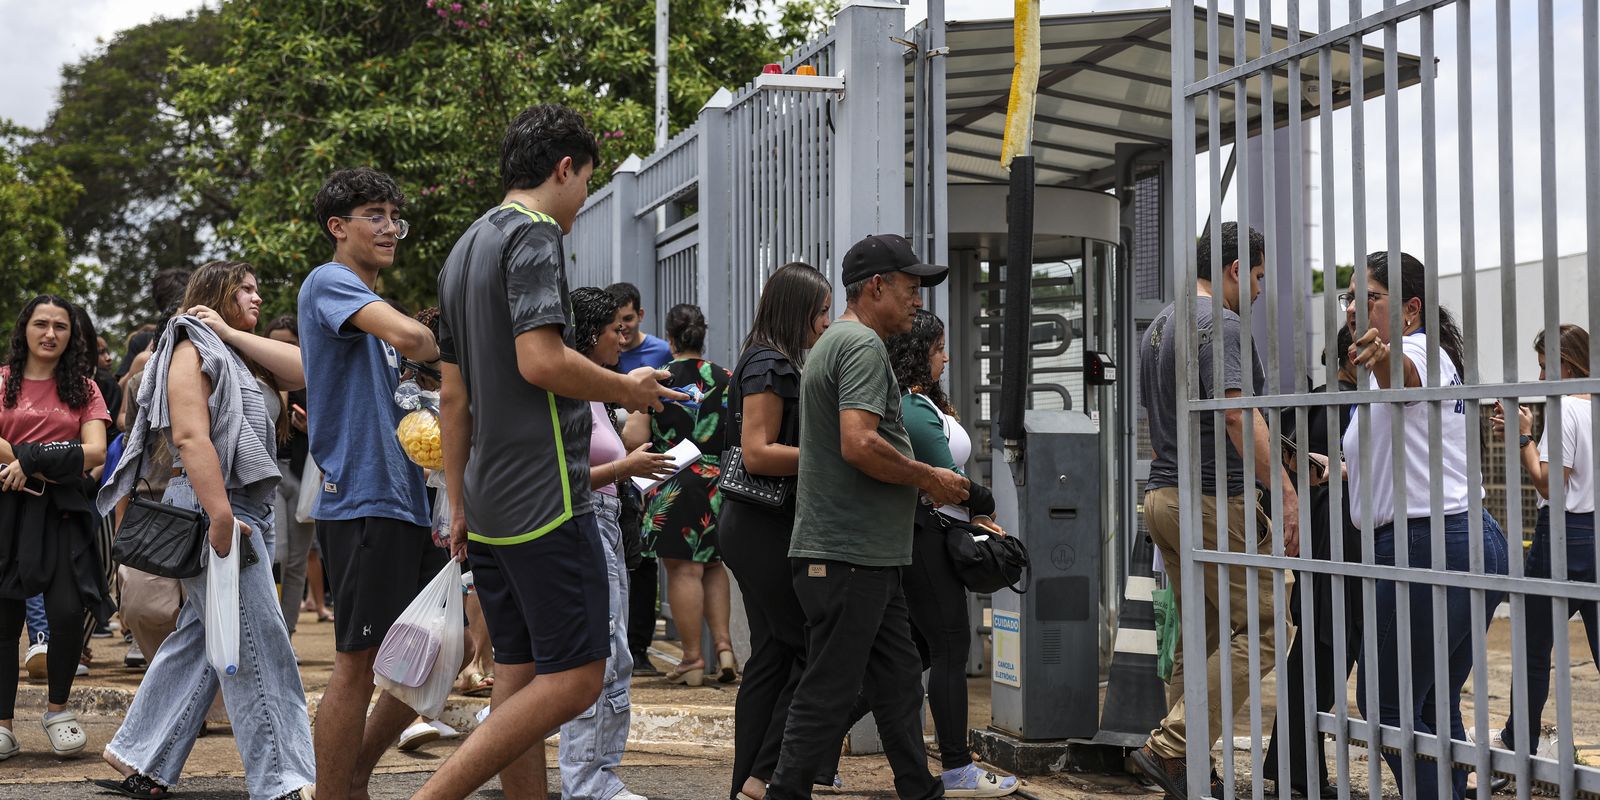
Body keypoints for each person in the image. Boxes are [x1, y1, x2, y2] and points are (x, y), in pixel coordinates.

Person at [422, 103, 681, 800]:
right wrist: (628, 390)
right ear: (564, 169)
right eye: (586, 182)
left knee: (521, 672)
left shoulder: (462, 248)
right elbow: (541, 361)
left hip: (489, 499)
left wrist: (458, 500)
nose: (584, 200)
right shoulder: (532, 234)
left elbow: (454, 399)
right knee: (576, 678)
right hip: (549, 496)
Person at [94, 260, 315, 800]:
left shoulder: (232, 349)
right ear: (215, 294)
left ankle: (141, 755)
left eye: (259, 289)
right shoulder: (191, 349)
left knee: (202, 639)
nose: (257, 298)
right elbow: (191, 437)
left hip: (236, 507)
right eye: (245, 290)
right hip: (216, 505)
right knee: (260, 648)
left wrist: (231, 329)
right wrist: (219, 516)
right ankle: (283, 778)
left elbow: (308, 369)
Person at [762, 233, 966, 800]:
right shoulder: (862, 347)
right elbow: (860, 443)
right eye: (910, 287)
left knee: (899, 682)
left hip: (866, 556)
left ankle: (917, 788)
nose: (918, 300)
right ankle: (783, 791)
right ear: (876, 286)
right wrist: (931, 478)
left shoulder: (841, 341)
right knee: (827, 688)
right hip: (846, 555)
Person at [1132, 222, 1300, 799]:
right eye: (1256, 276)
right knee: (1272, 624)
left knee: (1202, 636)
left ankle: (1184, 766)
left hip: (1162, 495)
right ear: (1234, 270)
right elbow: (1235, 414)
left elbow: (1160, 434)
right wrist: (1280, 488)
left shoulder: (1158, 326)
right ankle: (1172, 745)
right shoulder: (1221, 324)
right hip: (1209, 498)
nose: (1258, 290)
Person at [298, 166, 447, 800]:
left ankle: (354, 772)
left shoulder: (362, 307)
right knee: (357, 665)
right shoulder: (332, 282)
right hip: (361, 499)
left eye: (395, 217)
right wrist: (457, 347)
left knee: (434, 654)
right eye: (375, 216)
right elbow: (416, 336)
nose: (390, 228)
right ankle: (335, 790)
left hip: (404, 499)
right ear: (338, 227)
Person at [1341, 252, 1508, 800]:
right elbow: (1397, 454)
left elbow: (1403, 377)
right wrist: (1335, 470)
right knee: (1430, 702)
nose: (1353, 307)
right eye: (1349, 297)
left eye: (1369, 297)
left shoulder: (1418, 353)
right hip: (1458, 537)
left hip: (1426, 543)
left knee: (1387, 707)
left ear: (1410, 309)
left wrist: (1380, 357)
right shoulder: (1395, 365)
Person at [887, 309, 1018, 798]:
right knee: (948, 649)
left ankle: (816, 748)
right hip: (927, 540)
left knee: (916, 652)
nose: (947, 356)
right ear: (919, 353)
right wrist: (981, 503)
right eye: (939, 348)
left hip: (937, 534)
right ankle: (958, 769)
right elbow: (948, 483)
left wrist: (974, 513)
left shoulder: (922, 402)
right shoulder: (913, 406)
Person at [558, 286, 675, 799]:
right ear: (589, 335)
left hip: (605, 520)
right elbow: (559, 474)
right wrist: (626, 467)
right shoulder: (569, 388)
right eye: (614, 330)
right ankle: (587, 779)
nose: (623, 339)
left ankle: (598, 772)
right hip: (586, 521)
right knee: (602, 655)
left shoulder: (596, 390)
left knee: (614, 653)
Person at [721, 263, 832, 800]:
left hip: (755, 523)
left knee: (771, 653)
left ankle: (749, 781)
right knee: (811, 643)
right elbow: (759, 452)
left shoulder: (770, 359)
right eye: (822, 312)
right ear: (799, 312)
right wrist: (830, 456)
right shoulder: (769, 364)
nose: (827, 323)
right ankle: (765, 776)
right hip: (761, 524)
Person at [0, 295, 112, 761]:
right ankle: (3, 725)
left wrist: (31, 459)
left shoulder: (84, 389)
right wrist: (39, 462)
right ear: (24, 328)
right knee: (4, 619)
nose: (50, 334)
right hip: (6, 507)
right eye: (41, 324)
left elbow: (97, 453)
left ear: (72, 335)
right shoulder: (2, 381)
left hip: (64, 511)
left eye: (61, 326)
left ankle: (57, 710)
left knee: (66, 611)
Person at [1263, 325, 1362, 798]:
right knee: (1326, 656)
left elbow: (1279, 463)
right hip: (1345, 543)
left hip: (1314, 541)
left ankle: (1291, 765)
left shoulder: (1310, 404)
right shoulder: (1354, 405)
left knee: (1315, 653)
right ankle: (1299, 769)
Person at [1493, 324, 1595, 756]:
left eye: (1543, 367)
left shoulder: (1567, 407)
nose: (1539, 379)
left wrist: (1524, 437)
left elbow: (1550, 483)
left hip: (1563, 535)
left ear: (1565, 365)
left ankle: (1521, 743)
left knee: (1533, 647)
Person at [623, 303, 736, 686]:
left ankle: (691, 658)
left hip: (673, 477)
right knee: (714, 565)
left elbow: (636, 438)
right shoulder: (726, 377)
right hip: (717, 479)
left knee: (683, 570)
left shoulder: (657, 379)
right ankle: (724, 647)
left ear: (670, 339)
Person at [608, 281, 673, 677]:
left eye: (628, 321)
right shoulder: (601, 356)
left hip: (647, 469)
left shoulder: (661, 354)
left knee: (642, 560)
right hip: (611, 467)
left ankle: (640, 645)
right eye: (615, 325)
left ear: (640, 316)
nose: (623, 332)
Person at [263, 315, 319, 639]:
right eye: (277, 344)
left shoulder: (312, 380)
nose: (284, 350)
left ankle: (288, 632)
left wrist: (310, 428)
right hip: (269, 479)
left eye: (291, 344)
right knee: (276, 556)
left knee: (298, 561)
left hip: (303, 476)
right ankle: (269, 632)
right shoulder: (257, 380)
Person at [609, 282, 673, 374]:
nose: (622, 327)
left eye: (628, 319)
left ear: (640, 315)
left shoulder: (664, 352)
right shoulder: (602, 354)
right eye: (616, 321)